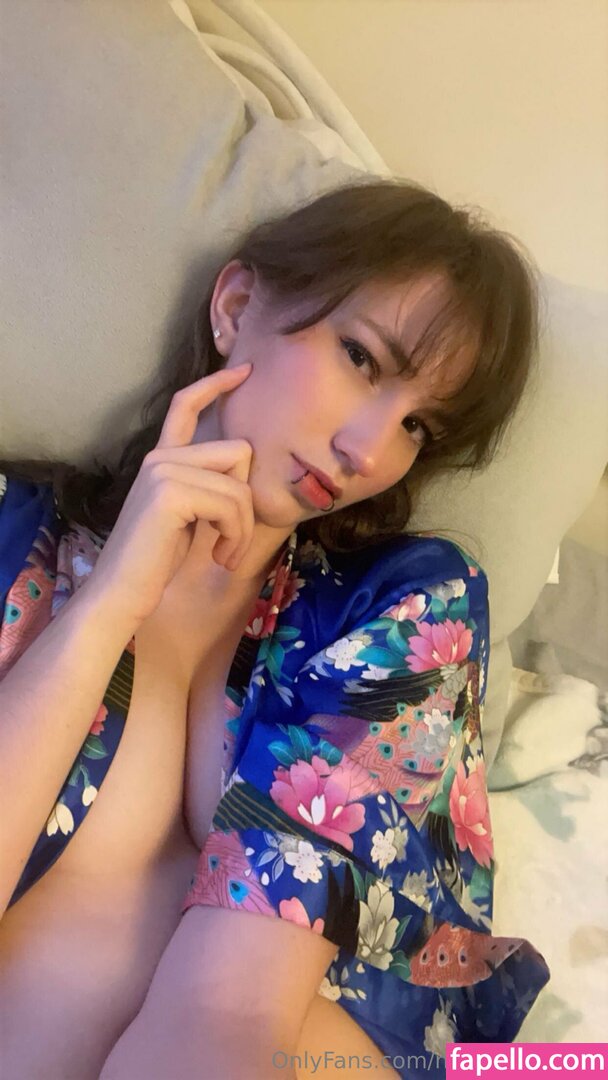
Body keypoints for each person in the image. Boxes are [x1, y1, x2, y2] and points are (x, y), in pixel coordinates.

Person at [0, 179, 549, 1079]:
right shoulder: (13, 537)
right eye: (362, 358)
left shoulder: (399, 607)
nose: (368, 450)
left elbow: (231, 1013)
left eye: (417, 425)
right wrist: (107, 606)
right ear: (236, 306)